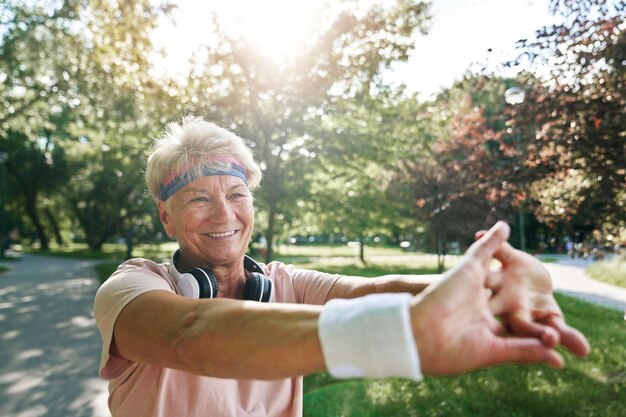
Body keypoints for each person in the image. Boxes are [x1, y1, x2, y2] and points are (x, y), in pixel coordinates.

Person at [93, 116, 590, 417]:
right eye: (198, 198)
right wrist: (398, 335)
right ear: (166, 217)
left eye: (237, 194)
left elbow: (383, 289)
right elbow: (189, 334)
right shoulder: (131, 288)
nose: (225, 215)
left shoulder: (284, 283)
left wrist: (497, 283)